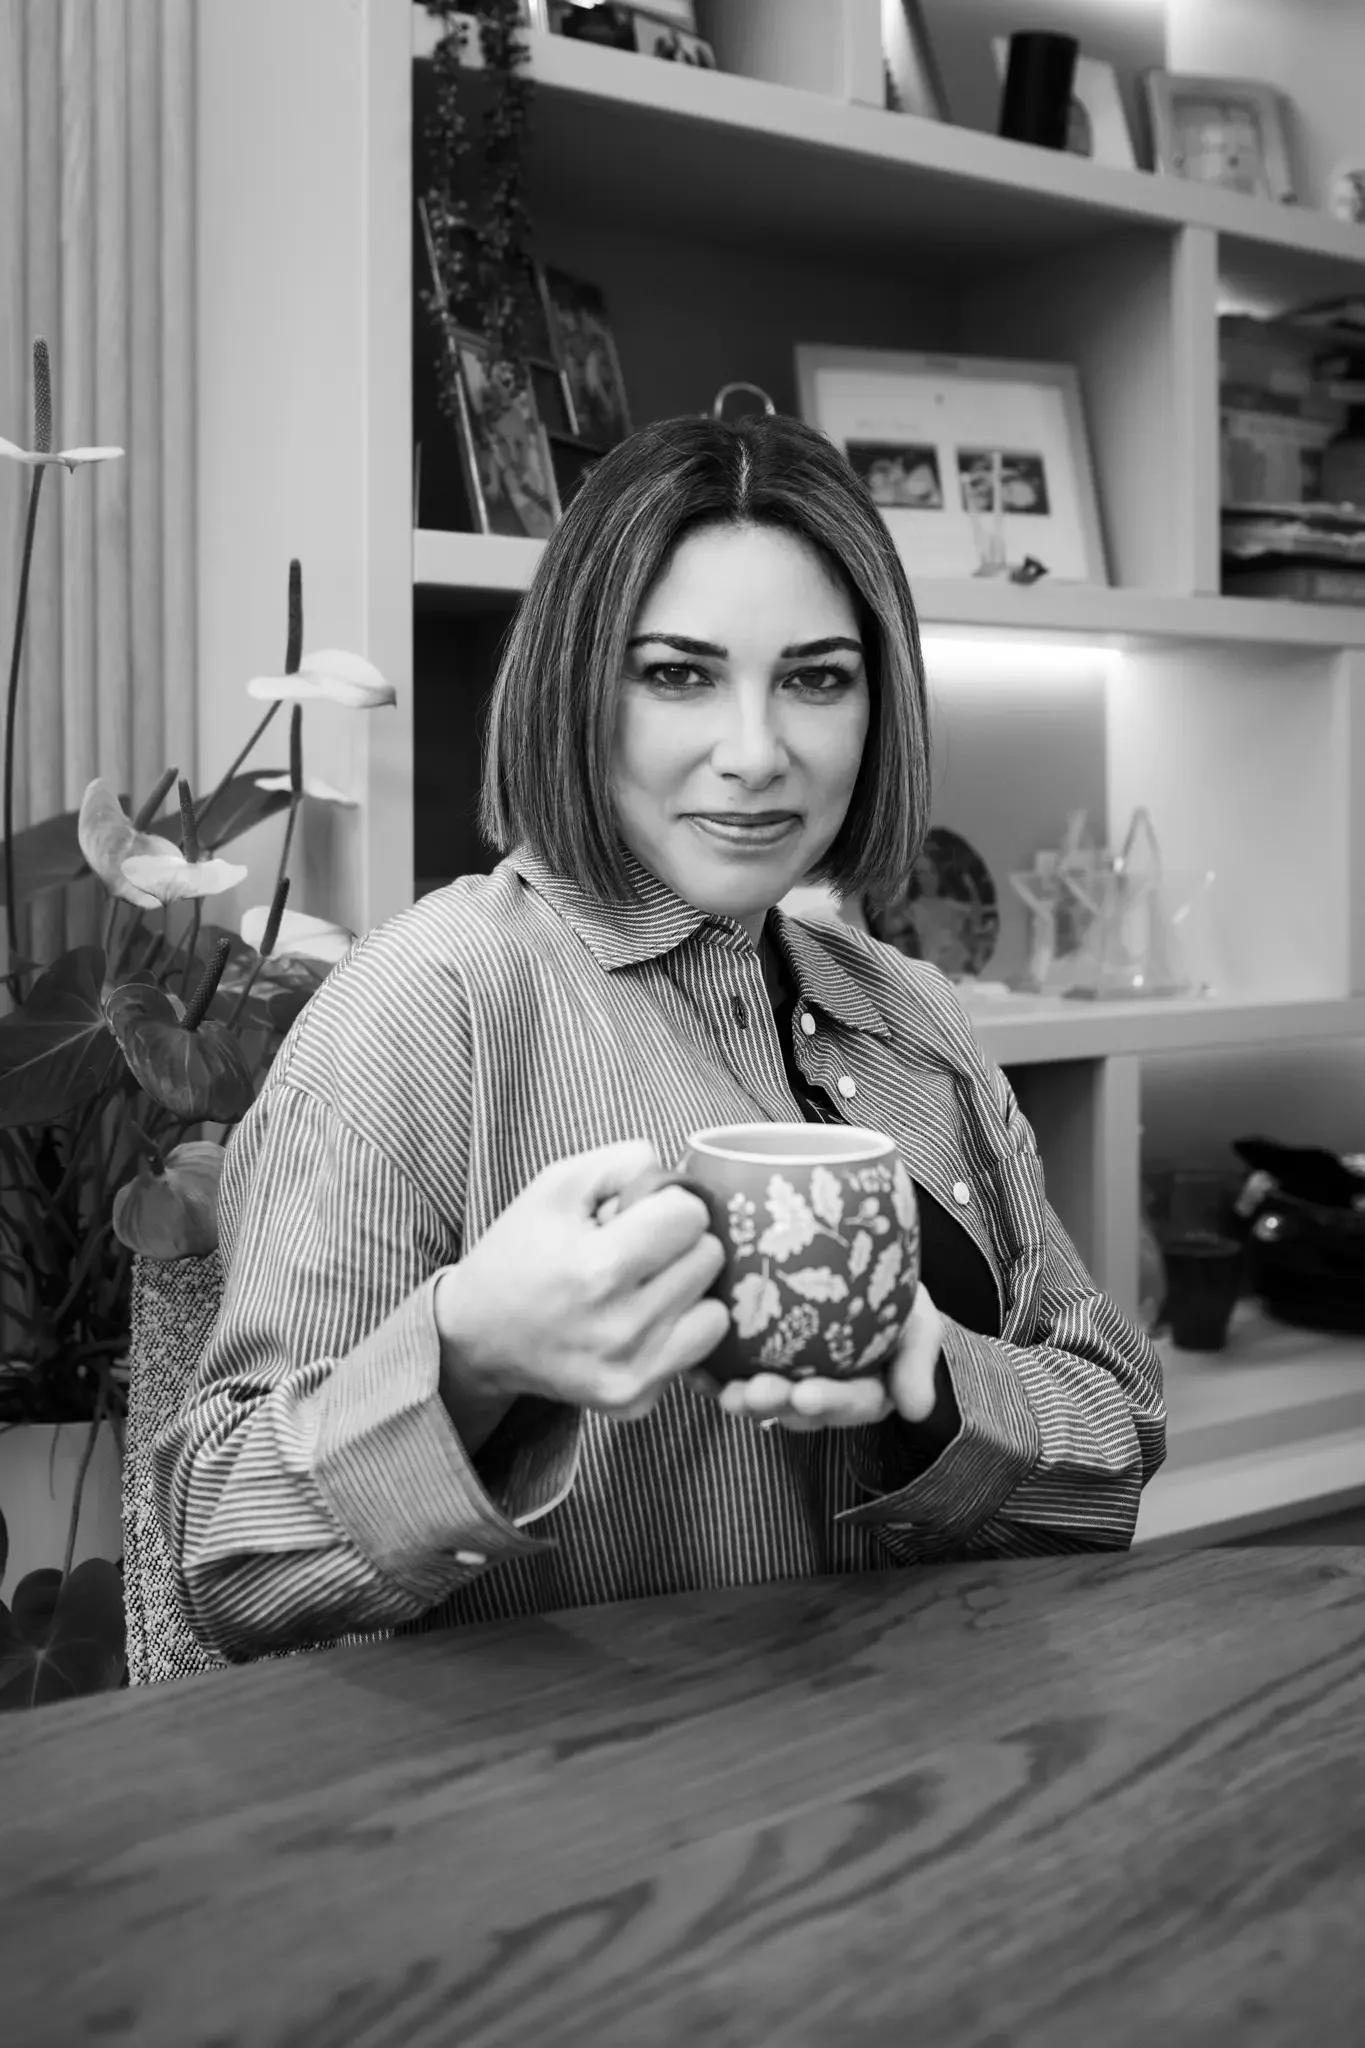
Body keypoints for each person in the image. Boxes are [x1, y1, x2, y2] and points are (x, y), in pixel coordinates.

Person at [154, 413, 1166, 1664]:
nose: (756, 753)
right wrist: (469, 1353)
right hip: (585, 1810)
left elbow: (1115, 1446)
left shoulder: (916, 1011)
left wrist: (938, 1375)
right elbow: (223, 1553)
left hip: (928, 1768)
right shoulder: (425, 1006)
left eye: (817, 676)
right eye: (677, 672)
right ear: (581, 682)